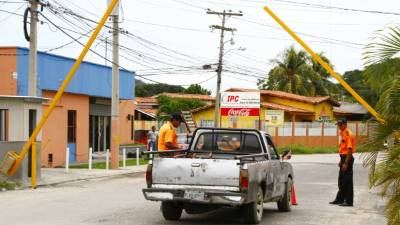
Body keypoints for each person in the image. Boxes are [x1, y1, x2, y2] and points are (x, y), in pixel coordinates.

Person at [330, 118, 355, 207]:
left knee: (347, 181)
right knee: (341, 180)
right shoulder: (342, 133)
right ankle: (339, 199)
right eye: (338, 125)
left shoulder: (348, 134)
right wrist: (341, 161)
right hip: (343, 158)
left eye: (340, 125)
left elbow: (349, 150)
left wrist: (346, 163)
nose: (339, 126)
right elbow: (343, 149)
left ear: (345, 124)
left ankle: (348, 201)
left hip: (347, 159)